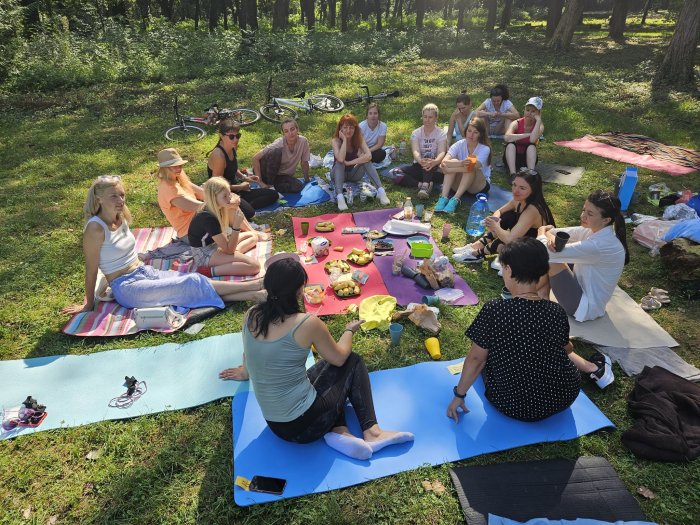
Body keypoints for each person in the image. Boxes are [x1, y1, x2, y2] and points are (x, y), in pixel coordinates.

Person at [219, 258, 414, 460]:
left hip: (275, 426)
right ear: (298, 291)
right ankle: (372, 432)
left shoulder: (251, 314)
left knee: (324, 370)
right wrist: (349, 330)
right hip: (308, 426)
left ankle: (339, 432)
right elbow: (340, 358)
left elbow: (249, 352)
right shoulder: (307, 323)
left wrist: (244, 373)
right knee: (352, 361)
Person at [446, 237, 615, 425]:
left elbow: (477, 359)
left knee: (484, 357)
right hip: (564, 397)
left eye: (503, 268)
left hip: (513, 405)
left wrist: (458, 395)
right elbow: (567, 350)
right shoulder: (555, 311)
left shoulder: (495, 309)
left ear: (509, 270)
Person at [62, 176, 264, 316]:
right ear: (98, 199)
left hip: (144, 272)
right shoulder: (95, 229)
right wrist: (88, 304)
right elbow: (91, 270)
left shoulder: (120, 217)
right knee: (191, 282)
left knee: (191, 282)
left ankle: (255, 295)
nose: (120, 200)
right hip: (127, 287)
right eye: (114, 196)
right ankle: (254, 285)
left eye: (122, 195)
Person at [536, 190, 630, 322]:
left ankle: (530, 293)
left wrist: (541, 231)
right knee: (558, 252)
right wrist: (550, 236)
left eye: (589, 213)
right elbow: (554, 231)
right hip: (582, 286)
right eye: (584, 210)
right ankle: (542, 295)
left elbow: (546, 253)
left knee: (552, 259)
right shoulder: (594, 228)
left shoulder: (599, 244)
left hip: (584, 307)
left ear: (606, 220)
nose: (583, 216)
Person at [157, 148, 269, 245]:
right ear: (164, 168)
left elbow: (205, 193)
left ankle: (252, 233)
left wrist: (227, 196)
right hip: (191, 232)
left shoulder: (179, 180)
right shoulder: (169, 190)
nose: (178, 168)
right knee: (227, 204)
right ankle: (251, 234)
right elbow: (201, 207)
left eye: (180, 165)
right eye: (173, 166)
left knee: (228, 202)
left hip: (202, 221)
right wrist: (227, 202)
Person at [453, 170, 555, 263]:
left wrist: (496, 227)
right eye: (514, 185)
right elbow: (500, 211)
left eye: (522, 188)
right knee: (507, 216)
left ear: (533, 190)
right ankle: (477, 245)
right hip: (522, 232)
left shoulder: (532, 210)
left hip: (534, 247)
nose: (515, 191)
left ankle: (476, 254)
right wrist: (495, 219)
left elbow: (510, 239)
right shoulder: (519, 200)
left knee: (504, 240)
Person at [186, 177, 261, 278]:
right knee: (254, 266)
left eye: (229, 194)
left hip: (216, 245)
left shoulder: (217, 206)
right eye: (225, 196)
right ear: (214, 197)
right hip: (205, 254)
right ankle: (208, 271)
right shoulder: (207, 217)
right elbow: (229, 250)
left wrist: (231, 251)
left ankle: (230, 258)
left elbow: (228, 247)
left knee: (253, 236)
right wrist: (236, 226)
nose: (229, 199)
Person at [208, 120, 279, 220]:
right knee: (249, 213)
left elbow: (232, 169)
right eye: (231, 136)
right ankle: (228, 209)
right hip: (222, 196)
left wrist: (244, 177)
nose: (235, 139)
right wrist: (240, 187)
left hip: (235, 191)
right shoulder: (219, 156)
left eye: (238, 136)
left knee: (273, 195)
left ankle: (238, 207)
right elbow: (217, 187)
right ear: (221, 136)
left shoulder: (232, 147)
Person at [330, 114, 391, 211]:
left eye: (351, 128)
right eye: (345, 128)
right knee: (340, 162)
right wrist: (345, 140)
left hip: (353, 173)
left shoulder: (359, 138)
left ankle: (381, 191)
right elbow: (341, 159)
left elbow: (368, 155)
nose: (348, 131)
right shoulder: (336, 140)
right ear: (340, 128)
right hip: (337, 173)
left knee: (366, 160)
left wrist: (350, 163)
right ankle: (340, 197)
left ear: (355, 128)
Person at [436, 118, 492, 214]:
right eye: (469, 131)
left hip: (477, 185)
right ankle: (443, 198)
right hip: (460, 181)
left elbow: (474, 167)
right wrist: (460, 163)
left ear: (480, 134)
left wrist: (450, 169)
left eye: (475, 132)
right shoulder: (459, 144)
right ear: (466, 131)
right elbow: (444, 161)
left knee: (470, 168)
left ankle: (455, 199)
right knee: (453, 161)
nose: (471, 135)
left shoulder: (485, 149)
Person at [397, 103, 448, 200]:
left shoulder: (441, 134)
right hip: (419, 166)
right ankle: (421, 185)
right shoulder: (416, 133)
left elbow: (442, 152)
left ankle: (425, 187)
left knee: (429, 154)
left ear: (436, 118)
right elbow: (415, 151)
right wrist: (421, 162)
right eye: (425, 117)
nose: (427, 120)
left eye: (430, 117)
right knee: (394, 173)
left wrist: (435, 162)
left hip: (434, 169)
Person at [252, 118, 310, 193]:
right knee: (276, 152)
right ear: (283, 133)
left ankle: (267, 187)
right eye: (286, 131)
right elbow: (255, 158)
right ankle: (270, 186)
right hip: (265, 172)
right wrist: (259, 181)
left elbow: (304, 162)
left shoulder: (303, 141)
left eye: (292, 129)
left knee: (298, 186)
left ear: (297, 129)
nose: (290, 133)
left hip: (280, 176)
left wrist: (306, 178)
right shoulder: (279, 143)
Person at [503, 97, 544, 182]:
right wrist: (527, 134)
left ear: (538, 113)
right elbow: (507, 137)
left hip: (527, 159)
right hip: (512, 158)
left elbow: (533, 140)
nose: (529, 113)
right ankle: (513, 174)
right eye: (527, 110)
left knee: (531, 146)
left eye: (533, 111)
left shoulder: (539, 126)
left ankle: (530, 174)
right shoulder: (516, 123)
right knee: (510, 144)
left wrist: (539, 120)